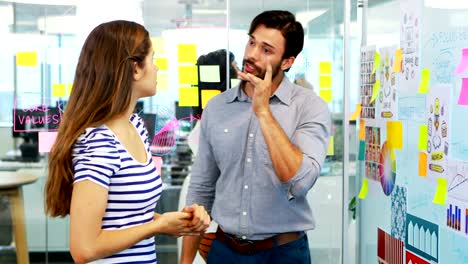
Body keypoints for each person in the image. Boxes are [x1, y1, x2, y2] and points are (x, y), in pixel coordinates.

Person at [44, 20, 210, 264]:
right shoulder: (101, 142)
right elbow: (84, 249)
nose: (157, 69)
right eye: (152, 60)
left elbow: (128, 218)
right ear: (135, 69)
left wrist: (171, 221)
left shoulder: (136, 126)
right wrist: (157, 226)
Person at [182, 10, 331, 263]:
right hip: (224, 250)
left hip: (283, 253)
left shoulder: (309, 107)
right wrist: (185, 261)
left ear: (287, 62)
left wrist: (263, 112)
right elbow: (201, 188)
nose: (251, 54)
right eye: (252, 42)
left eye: (266, 49)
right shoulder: (217, 108)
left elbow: (301, 182)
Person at [183, 49, 239, 263]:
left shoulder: (208, 121)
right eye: (235, 69)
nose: (241, 73)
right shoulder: (215, 123)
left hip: (211, 221)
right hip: (214, 225)